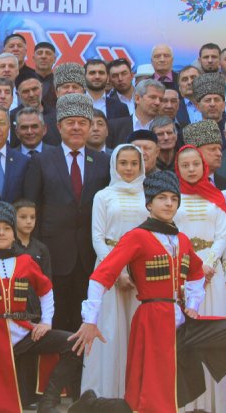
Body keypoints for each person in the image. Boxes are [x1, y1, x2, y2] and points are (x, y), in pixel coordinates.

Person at [71, 171, 226, 413]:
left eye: (174, 198)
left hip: (182, 322)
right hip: (152, 320)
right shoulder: (137, 237)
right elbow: (102, 275)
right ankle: (93, 406)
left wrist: (193, 305)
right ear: (149, 203)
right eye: (162, 198)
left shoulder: (181, 239)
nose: (169, 203)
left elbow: (195, 273)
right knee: (151, 394)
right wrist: (90, 320)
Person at [0, 202, 111, 413]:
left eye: (6, 229)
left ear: (13, 234)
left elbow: (46, 290)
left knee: (73, 344)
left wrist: (46, 322)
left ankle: (47, 403)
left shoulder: (26, 261)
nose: (1, 233)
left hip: (24, 332)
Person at [24, 94, 111, 337]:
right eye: (70, 122)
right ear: (58, 126)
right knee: (56, 323)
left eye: (82, 122)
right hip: (52, 256)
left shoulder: (103, 162)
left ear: (90, 126)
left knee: (86, 323)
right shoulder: (41, 161)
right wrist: (35, 252)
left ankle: (84, 373)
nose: (76, 127)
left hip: (90, 257)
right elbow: (32, 209)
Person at [82, 144, 147, 399]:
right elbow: (97, 238)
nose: (129, 168)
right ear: (114, 166)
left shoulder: (148, 195)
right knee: (108, 327)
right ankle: (106, 392)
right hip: (109, 267)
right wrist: (117, 272)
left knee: (136, 326)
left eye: (134, 163)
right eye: (123, 163)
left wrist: (135, 271)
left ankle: (134, 391)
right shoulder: (104, 196)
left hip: (141, 269)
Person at [174, 145, 226, 413]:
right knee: (186, 332)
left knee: (213, 330)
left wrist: (208, 265)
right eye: (185, 165)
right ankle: (188, 400)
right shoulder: (173, 197)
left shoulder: (217, 196)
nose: (191, 169)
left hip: (212, 271)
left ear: (204, 165)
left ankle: (215, 402)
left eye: (195, 163)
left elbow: (223, 235)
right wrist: (191, 267)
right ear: (178, 168)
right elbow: (172, 233)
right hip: (183, 269)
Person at [107, 79, 165, 149]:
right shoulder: (114, 127)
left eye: (161, 100)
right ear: (137, 98)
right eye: (152, 97)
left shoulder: (165, 129)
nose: (157, 102)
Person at [182, 120, 226, 191]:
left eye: (219, 149)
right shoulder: (179, 185)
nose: (219, 154)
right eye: (212, 149)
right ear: (195, 152)